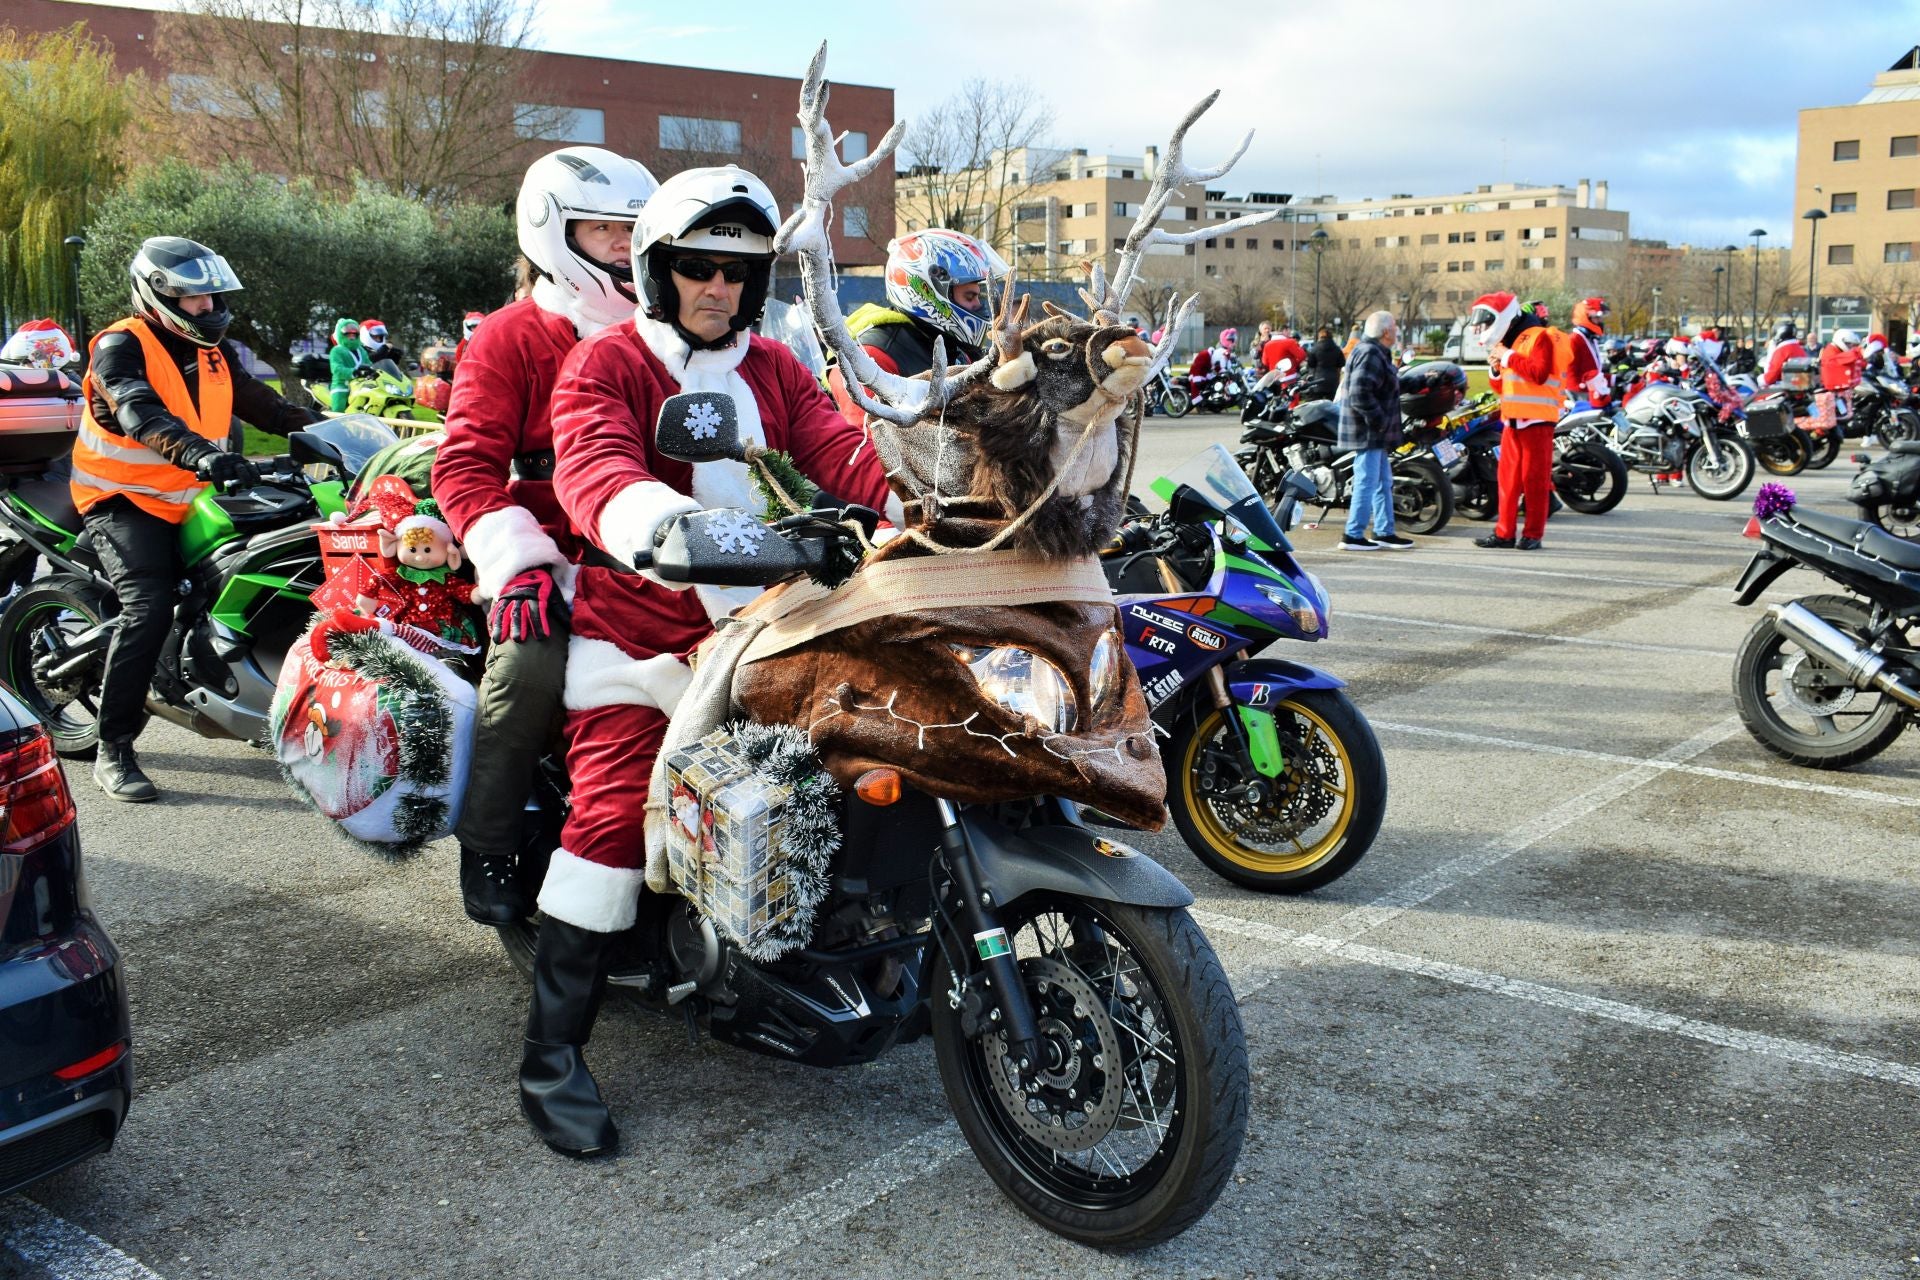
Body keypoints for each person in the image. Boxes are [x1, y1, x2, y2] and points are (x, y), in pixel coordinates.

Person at [527, 163, 895, 1157]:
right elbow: (596, 466)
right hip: (640, 641)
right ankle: (552, 1056)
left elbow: (840, 444)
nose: (718, 288)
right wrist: (677, 528)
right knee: (607, 817)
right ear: (657, 269)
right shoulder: (606, 364)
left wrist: (925, 507)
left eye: (737, 271)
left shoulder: (773, 368)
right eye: (697, 266)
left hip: (773, 625)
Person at [431, 145, 658, 926]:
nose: (626, 247)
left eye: (635, 230)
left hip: (652, 553)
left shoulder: (664, 332)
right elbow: (462, 467)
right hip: (552, 561)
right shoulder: (508, 337)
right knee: (528, 669)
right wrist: (517, 562)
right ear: (553, 232)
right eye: (605, 230)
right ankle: (489, 840)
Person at [72, 236, 320, 801]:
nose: (210, 308)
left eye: (213, 297)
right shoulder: (120, 345)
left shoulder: (215, 351)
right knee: (148, 606)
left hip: (193, 492)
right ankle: (114, 749)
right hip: (124, 499)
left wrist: (329, 428)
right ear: (157, 295)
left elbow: (264, 405)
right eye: (196, 300)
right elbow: (139, 411)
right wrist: (204, 454)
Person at [824, 227, 1003, 423]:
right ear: (930, 292)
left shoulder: (954, 349)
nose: (978, 306)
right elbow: (864, 441)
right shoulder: (871, 356)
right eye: (970, 296)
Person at [1467, 290, 1595, 551]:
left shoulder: (1540, 337)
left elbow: (1538, 373)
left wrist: (1507, 357)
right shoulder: (1512, 342)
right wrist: (1495, 366)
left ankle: (1532, 534)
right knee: (1508, 481)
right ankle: (1504, 533)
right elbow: (1503, 385)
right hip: (1513, 420)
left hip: (1537, 421)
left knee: (1534, 481)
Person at [1335, 311, 1411, 551]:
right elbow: (1360, 393)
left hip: (1373, 432)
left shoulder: (1373, 352)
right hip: (1368, 432)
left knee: (1381, 481)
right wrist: (1378, 421)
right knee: (1367, 482)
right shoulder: (1370, 353)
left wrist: (1424, 381)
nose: (1397, 330)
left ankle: (1384, 531)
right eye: (1395, 326)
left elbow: (1387, 384)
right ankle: (1353, 534)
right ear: (1386, 332)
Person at [1568, 296, 1612, 407]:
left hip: (1591, 395)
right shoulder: (1574, 340)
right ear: (1586, 317)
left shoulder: (1590, 339)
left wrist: (1615, 379)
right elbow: (1572, 375)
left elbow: (1592, 371)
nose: (1600, 322)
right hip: (1580, 397)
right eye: (1597, 318)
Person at [327, 317, 366, 410]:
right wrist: (354, 372)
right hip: (342, 386)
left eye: (354, 335)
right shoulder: (336, 350)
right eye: (348, 335)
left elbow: (369, 363)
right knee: (338, 412)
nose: (351, 337)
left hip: (360, 385)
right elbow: (336, 369)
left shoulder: (361, 350)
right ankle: (335, 423)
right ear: (342, 335)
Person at [1300, 325, 1345, 401]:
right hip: (1332, 382)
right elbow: (1341, 363)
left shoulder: (1315, 349)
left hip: (1317, 381)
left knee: (1316, 406)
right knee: (1331, 406)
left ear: (1319, 337)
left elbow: (1310, 364)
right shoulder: (1337, 349)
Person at [1760, 321, 1807, 388]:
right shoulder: (1799, 348)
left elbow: (1770, 378)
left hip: (1786, 388)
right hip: (1799, 386)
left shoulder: (1782, 350)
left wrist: (1760, 379)